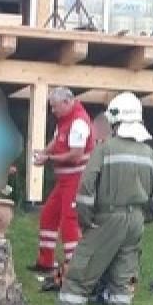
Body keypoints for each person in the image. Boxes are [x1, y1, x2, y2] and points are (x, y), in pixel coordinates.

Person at [37, 92, 153, 305]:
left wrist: (86, 220)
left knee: (78, 274)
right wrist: (148, 214)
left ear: (115, 121)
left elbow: (86, 188)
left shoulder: (105, 149)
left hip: (106, 219)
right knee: (122, 281)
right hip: (135, 222)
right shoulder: (148, 153)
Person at [32, 87, 95, 273]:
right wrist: (44, 152)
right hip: (65, 180)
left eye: (55, 106)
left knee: (69, 220)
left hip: (77, 178)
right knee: (48, 215)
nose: (53, 111)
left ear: (67, 102)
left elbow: (76, 155)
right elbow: (57, 140)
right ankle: (45, 261)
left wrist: (48, 159)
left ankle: (73, 266)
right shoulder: (66, 120)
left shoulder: (79, 122)